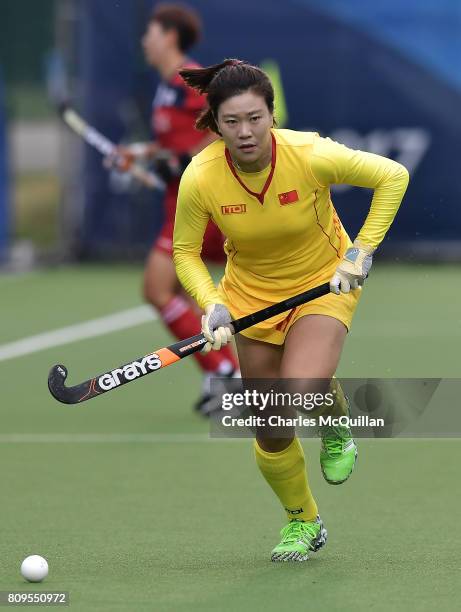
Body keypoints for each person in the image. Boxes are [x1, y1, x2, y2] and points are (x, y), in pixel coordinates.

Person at [173, 59, 409, 562]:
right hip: (249, 298)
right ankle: (304, 521)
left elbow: (393, 175)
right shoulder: (202, 178)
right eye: (231, 122)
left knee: (298, 389)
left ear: (272, 115)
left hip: (324, 282)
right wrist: (212, 306)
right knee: (271, 425)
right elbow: (186, 253)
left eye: (255, 118)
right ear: (215, 124)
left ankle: (335, 421)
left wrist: (360, 252)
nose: (245, 132)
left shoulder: (309, 154)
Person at [114, 4, 239, 415]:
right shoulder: (165, 87)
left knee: (157, 288)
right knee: (189, 295)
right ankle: (224, 373)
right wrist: (137, 155)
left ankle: (226, 371)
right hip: (180, 203)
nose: (144, 41)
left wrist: (181, 163)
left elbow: (222, 132)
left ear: (169, 36)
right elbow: (173, 147)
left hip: (198, 206)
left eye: (149, 32)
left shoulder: (191, 83)